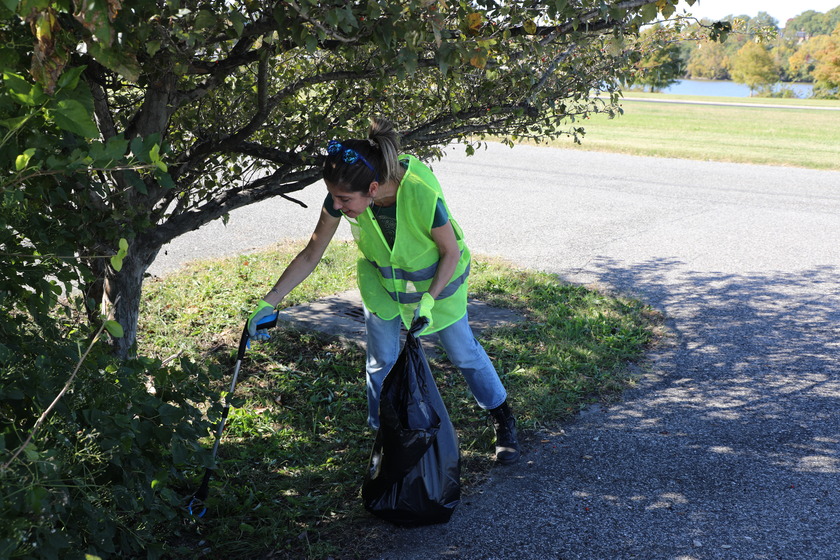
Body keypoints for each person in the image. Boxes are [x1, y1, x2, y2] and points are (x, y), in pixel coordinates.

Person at [247, 117, 521, 464]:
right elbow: (312, 252)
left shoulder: (420, 193)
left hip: (439, 284)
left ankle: (502, 418)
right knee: (381, 363)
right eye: (333, 197)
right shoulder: (341, 198)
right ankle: (385, 435)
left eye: (344, 199)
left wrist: (429, 300)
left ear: (373, 189)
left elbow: (450, 252)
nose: (338, 206)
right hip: (384, 285)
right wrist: (268, 302)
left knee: (462, 351)